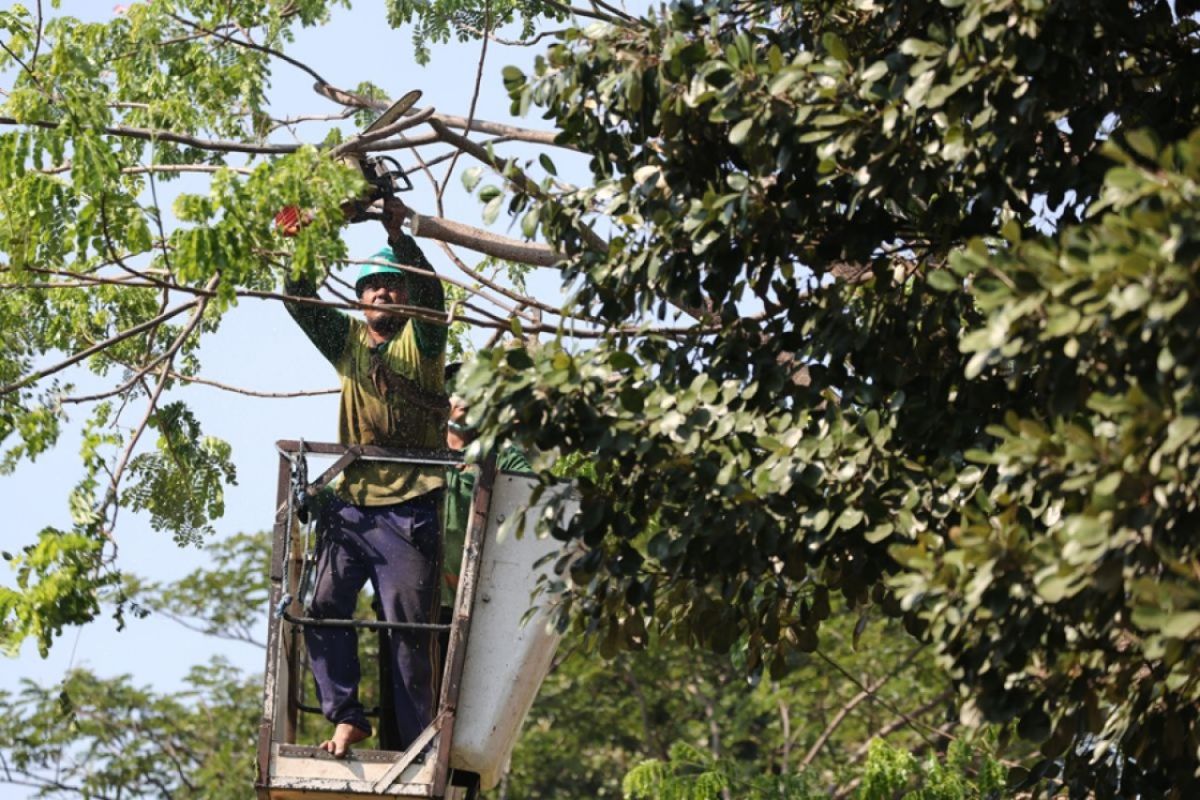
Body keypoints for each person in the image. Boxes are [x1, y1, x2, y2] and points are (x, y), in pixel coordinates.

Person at [284, 198, 448, 758]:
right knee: (322, 604)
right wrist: (308, 232)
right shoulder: (348, 342)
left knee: (408, 627)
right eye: (372, 286)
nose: (383, 293)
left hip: (411, 507)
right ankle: (347, 717)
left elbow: (433, 295)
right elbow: (298, 301)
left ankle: (418, 740)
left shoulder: (422, 341)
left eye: (391, 285)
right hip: (353, 506)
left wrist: (397, 234)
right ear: (360, 298)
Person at [440, 363, 531, 608]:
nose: (463, 397)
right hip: (419, 592)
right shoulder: (421, 447)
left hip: (474, 597)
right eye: (455, 389)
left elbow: (529, 490)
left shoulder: (499, 452)